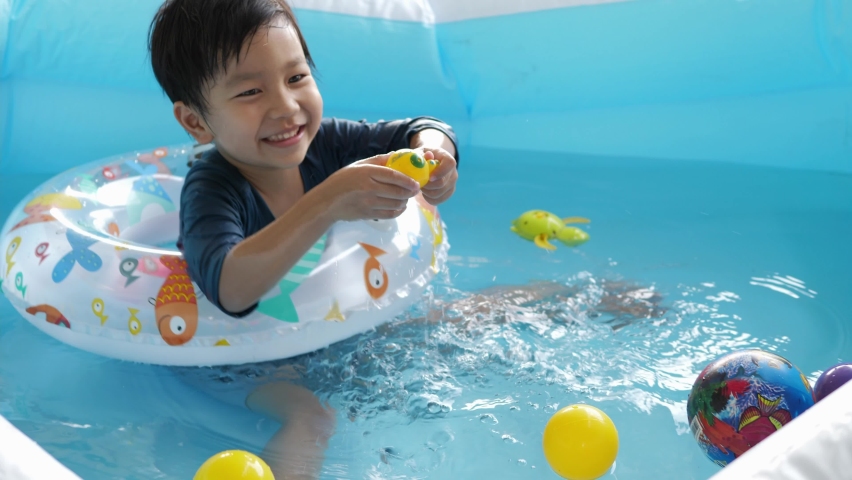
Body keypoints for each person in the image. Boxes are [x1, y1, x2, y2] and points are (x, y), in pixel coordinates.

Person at [148, 0, 459, 477]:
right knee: (312, 416)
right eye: (251, 91)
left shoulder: (328, 144)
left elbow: (421, 129)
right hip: (234, 359)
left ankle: (610, 300)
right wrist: (329, 200)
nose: (286, 107)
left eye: (296, 77)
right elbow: (229, 289)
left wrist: (433, 155)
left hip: (325, 332)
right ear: (196, 122)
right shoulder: (211, 186)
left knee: (455, 322)